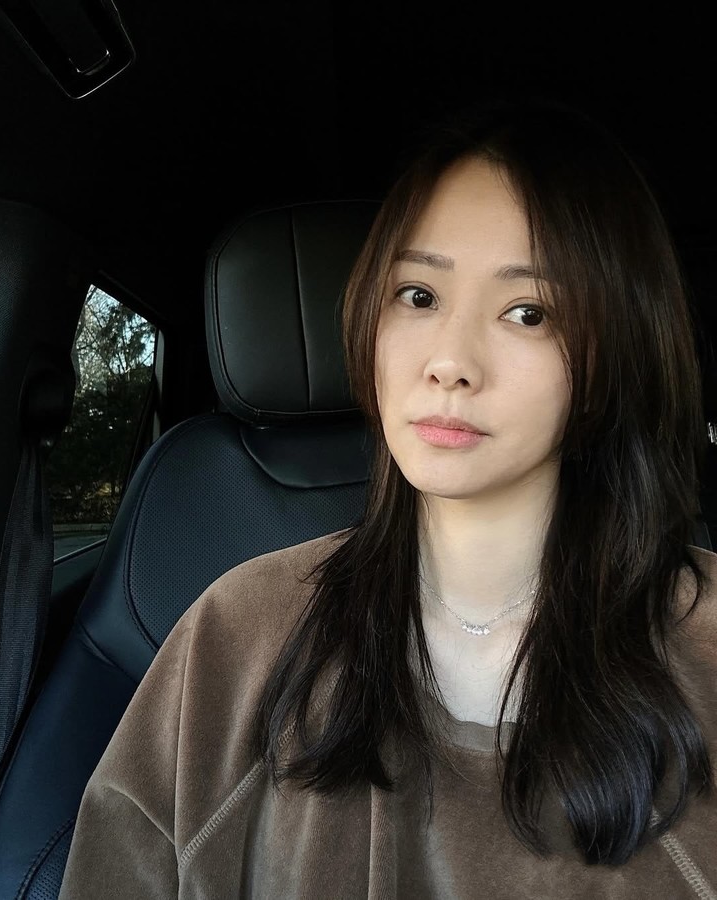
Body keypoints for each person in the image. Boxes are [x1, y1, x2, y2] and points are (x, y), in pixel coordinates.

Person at [59, 98, 717, 898]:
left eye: (528, 312)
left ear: (618, 347)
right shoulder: (234, 637)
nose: (450, 361)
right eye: (418, 296)